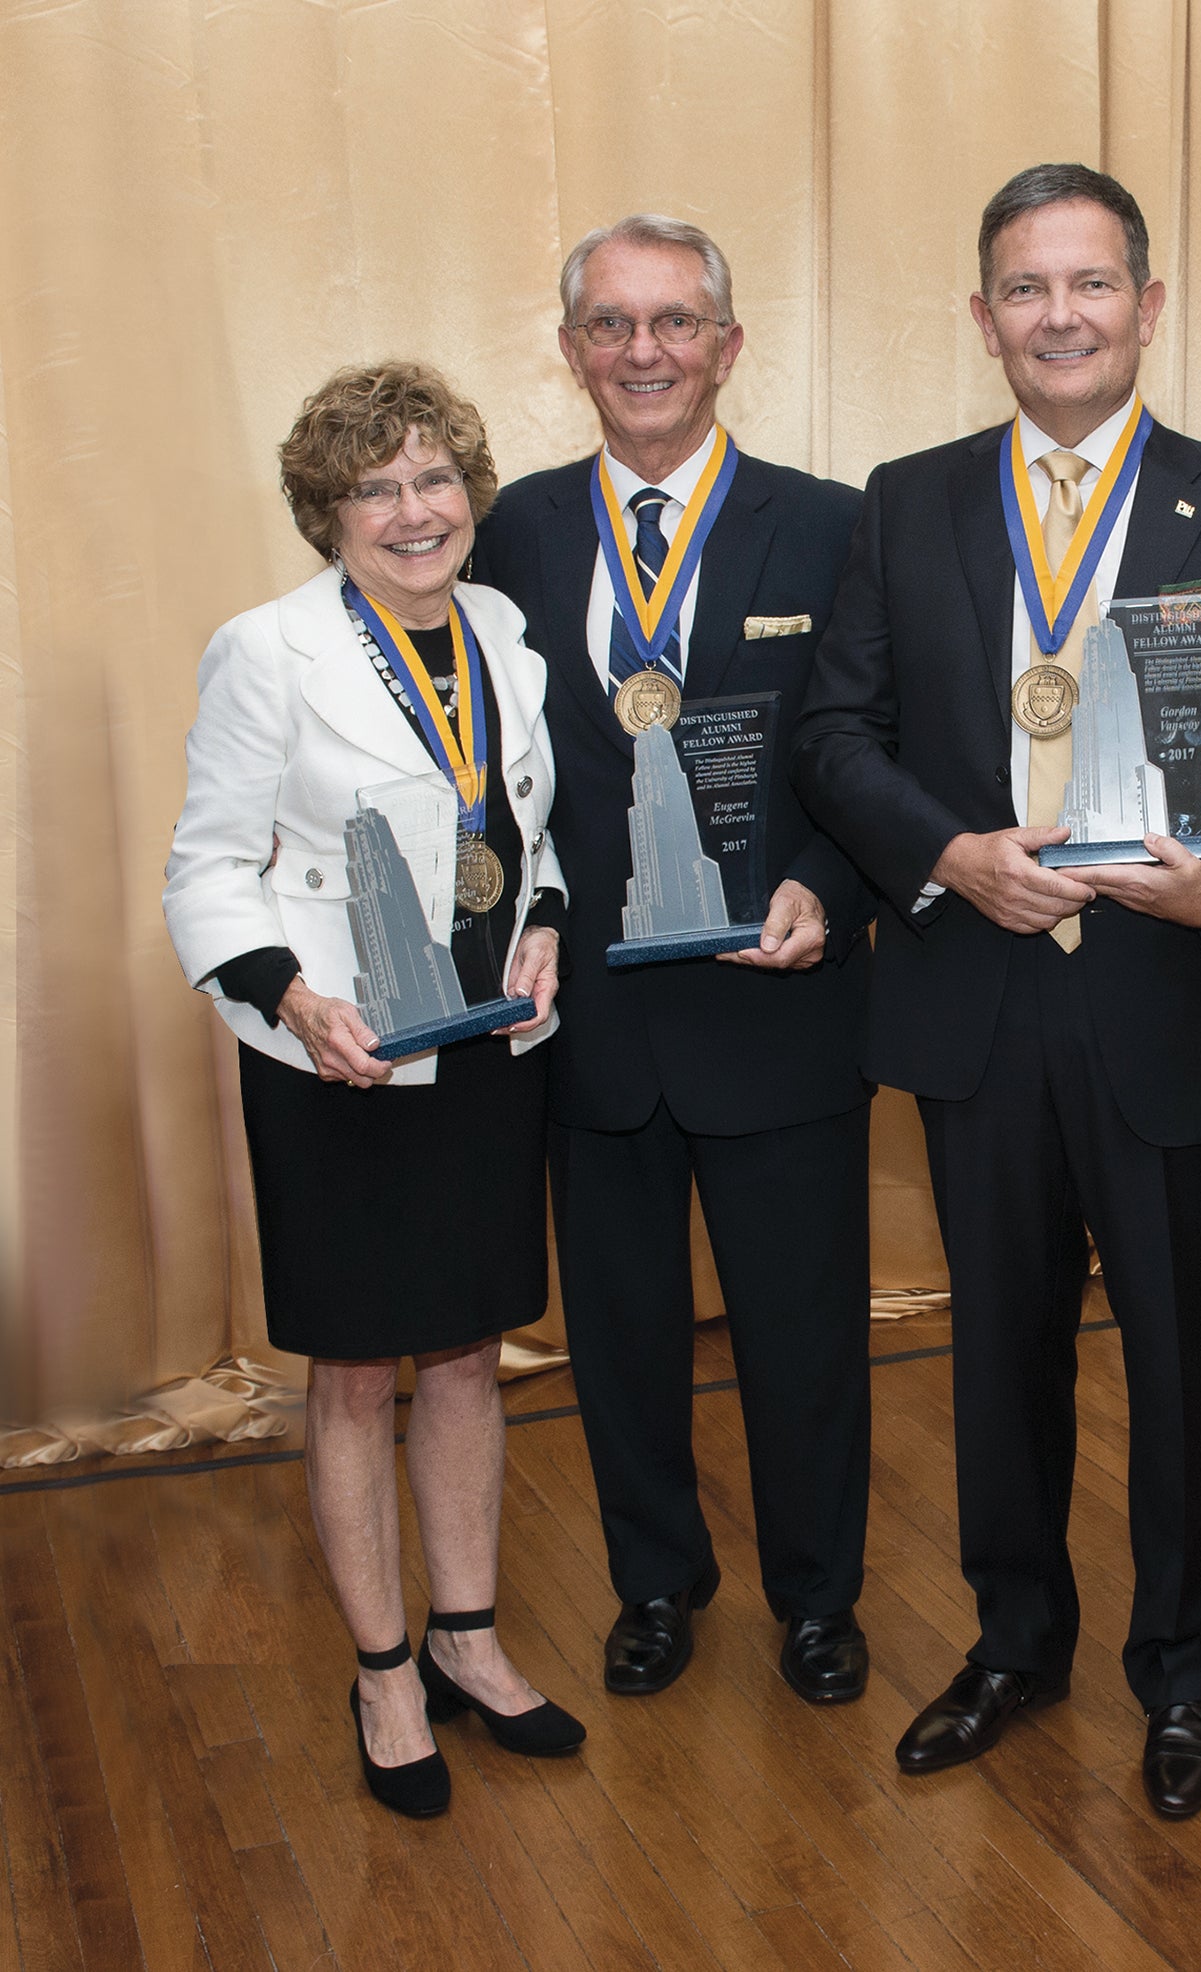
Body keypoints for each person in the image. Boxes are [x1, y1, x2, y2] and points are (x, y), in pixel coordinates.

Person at [794, 163, 1201, 1820]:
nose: (1060, 317)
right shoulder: (903, 504)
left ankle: (1187, 1681)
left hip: (1166, 998)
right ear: (984, 319)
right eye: (1026, 290)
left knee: (1185, 1370)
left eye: (1091, 284)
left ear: (1147, 306)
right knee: (1000, 1357)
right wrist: (948, 855)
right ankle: (1013, 1644)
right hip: (976, 995)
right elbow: (837, 737)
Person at [163, 362, 584, 1817]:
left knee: (467, 1352)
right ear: (328, 513)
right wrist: (290, 994)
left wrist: (544, 922)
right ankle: (384, 1670)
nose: (414, 512)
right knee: (354, 1371)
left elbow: (530, 833)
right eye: (376, 488)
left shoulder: (508, 638)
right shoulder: (264, 651)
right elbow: (207, 868)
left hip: (483, 1050)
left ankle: (468, 1639)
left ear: (468, 491)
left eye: (432, 479)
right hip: (340, 1063)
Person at [471, 216, 874, 1706]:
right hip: (595, 1021)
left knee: (808, 1338)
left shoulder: (833, 527)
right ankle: (656, 1584)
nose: (644, 352)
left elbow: (870, 754)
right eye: (612, 325)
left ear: (728, 344)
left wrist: (831, 888)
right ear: (571, 348)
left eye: (676, 322)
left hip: (783, 1002)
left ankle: (819, 1600)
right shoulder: (509, 532)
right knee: (623, 1338)